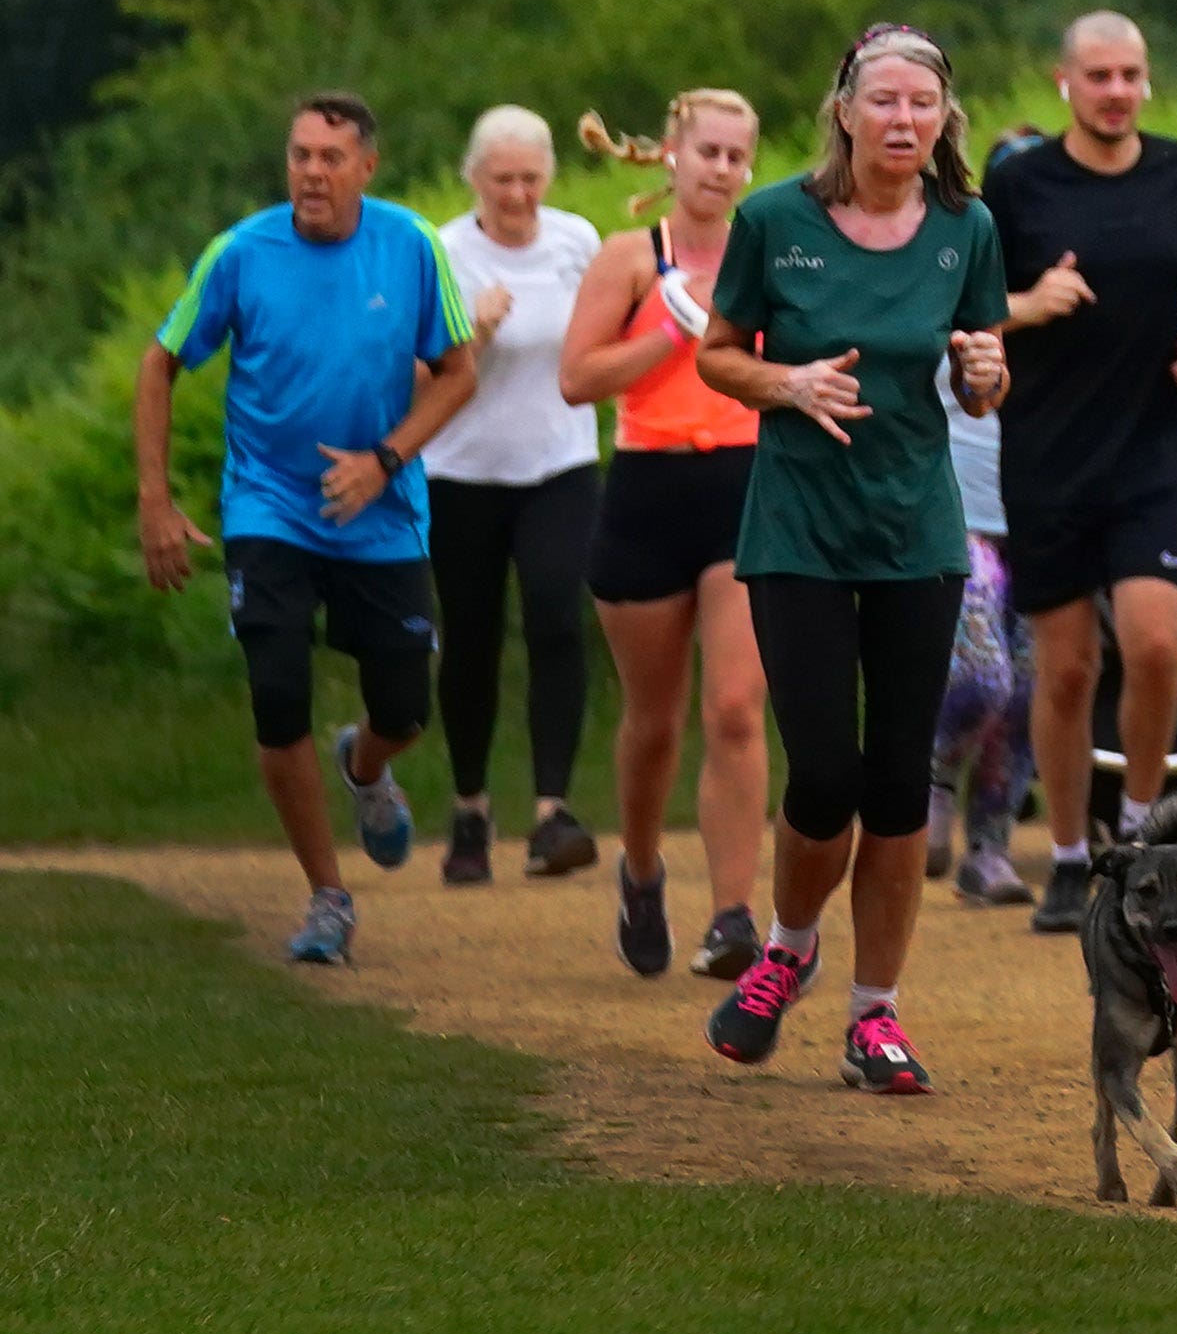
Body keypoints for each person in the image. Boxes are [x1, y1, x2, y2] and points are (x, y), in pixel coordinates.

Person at [693, 23, 1016, 1092]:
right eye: (883, 100)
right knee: (824, 771)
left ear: (943, 119)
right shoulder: (775, 220)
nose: (902, 120)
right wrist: (786, 385)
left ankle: (874, 1014)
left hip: (915, 532)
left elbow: (980, 381)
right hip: (799, 530)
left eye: (921, 104)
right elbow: (718, 354)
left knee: (898, 786)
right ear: (844, 109)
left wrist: (984, 371)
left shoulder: (965, 229)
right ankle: (787, 948)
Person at [129, 93, 479, 968]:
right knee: (275, 691)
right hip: (269, 506)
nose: (311, 173)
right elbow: (160, 361)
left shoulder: (411, 246)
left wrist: (383, 461)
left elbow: (458, 372)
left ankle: (364, 764)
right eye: (298, 155)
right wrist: (154, 499)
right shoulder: (241, 253)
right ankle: (329, 895)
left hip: (381, 512)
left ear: (368, 165)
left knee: (405, 708)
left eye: (330, 157)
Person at [985, 14, 1177, 933]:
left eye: (1131, 73)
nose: (1116, 90)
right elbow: (964, 303)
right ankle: (1065, 856)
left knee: (1157, 646)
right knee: (1064, 670)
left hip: (1151, 445)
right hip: (1048, 452)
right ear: (1064, 81)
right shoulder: (1018, 185)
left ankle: (1137, 836)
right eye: (1098, 74)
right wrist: (1032, 301)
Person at [562, 92, 775, 981]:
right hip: (648, 487)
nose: (720, 169)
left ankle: (733, 916)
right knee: (654, 720)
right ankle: (642, 872)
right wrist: (666, 330)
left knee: (734, 706)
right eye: (707, 152)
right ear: (672, 157)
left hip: (745, 481)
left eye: (736, 155)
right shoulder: (629, 259)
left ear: (751, 168)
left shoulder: (769, 252)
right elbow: (577, 378)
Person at [423, 104, 608, 885]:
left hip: (559, 462)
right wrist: (474, 327)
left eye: (531, 178)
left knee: (557, 617)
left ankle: (551, 811)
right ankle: (469, 811)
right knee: (469, 638)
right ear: (474, 179)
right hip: (461, 468)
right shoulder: (439, 249)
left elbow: (601, 335)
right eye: (502, 179)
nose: (518, 194)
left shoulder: (577, 242)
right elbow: (416, 368)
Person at [928, 390, 1032, 905]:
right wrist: (1033, 305)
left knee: (1027, 696)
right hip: (957, 506)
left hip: (1046, 508)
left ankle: (989, 849)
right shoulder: (962, 304)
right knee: (983, 678)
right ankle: (937, 768)